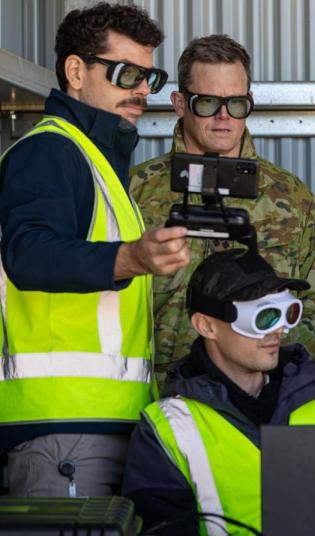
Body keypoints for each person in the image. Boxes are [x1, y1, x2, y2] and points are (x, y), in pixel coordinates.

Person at [0, 3, 190, 498]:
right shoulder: (51, 151)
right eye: (127, 73)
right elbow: (29, 253)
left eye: (150, 76)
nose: (143, 89)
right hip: (61, 428)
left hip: (100, 422)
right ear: (77, 71)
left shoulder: (97, 159)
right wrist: (132, 258)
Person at [122, 248, 315, 536]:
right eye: (263, 317)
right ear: (206, 325)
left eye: (286, 313)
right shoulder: (167, 429)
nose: (278, 331)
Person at [131, 35, 315, 388]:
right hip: (156, 398)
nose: (224, 116)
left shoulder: (289, 197)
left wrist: (258, 364)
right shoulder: (136, 191)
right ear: (180, 103)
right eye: (208, 102)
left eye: (237, 103)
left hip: (258, 402)